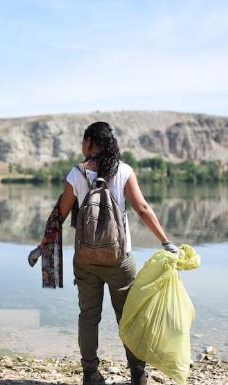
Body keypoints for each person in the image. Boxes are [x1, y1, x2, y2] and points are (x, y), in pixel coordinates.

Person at [54, 121, 178, 385]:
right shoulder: (124, 171)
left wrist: (43, 245)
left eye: (82, 141)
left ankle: (90, 374)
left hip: (85, 259)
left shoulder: (76, 174)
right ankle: (138, 374)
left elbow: (59, 215)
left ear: (88, 142)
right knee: (129, 316)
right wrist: (165, 242)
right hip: (119, 259)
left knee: (88, 316)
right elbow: (143, 208)